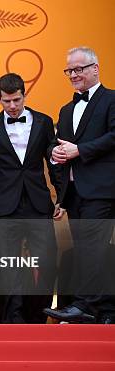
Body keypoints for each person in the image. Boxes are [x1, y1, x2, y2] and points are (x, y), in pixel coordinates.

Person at [0, 73, 62, 323]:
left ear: (24, 95)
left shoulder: (44, 122)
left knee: (46, 262)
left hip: (38, 205)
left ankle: (39, 317)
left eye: (16, 100)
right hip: (6, 206)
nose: (12, 106)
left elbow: (54, 164)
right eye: (6, 101)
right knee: (8, 266)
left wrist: (61, 198)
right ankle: (13, 320)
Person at [44, 46, 115, 324]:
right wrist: (55, 153)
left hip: (101, 190)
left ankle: (84, 305)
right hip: (74, 192)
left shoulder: (111, 99)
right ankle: (104, 310)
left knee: (92, 248)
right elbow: (58, 141)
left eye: (78, 69)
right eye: (69, 70)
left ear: (95, 69)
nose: (73, 74)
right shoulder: (65, 109)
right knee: (87, 248)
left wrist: (79, 150)